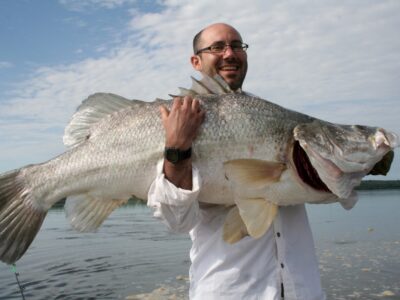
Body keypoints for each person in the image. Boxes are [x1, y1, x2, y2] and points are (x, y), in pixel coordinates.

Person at [147, 23, 326, 300]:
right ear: (196, 61)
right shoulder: (175, 119)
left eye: (237, 45)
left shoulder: (272, 115)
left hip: (303, 291)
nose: (229, 53)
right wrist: (176, 148)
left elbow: (331, 189)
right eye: (217, 47)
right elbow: (177, 221)